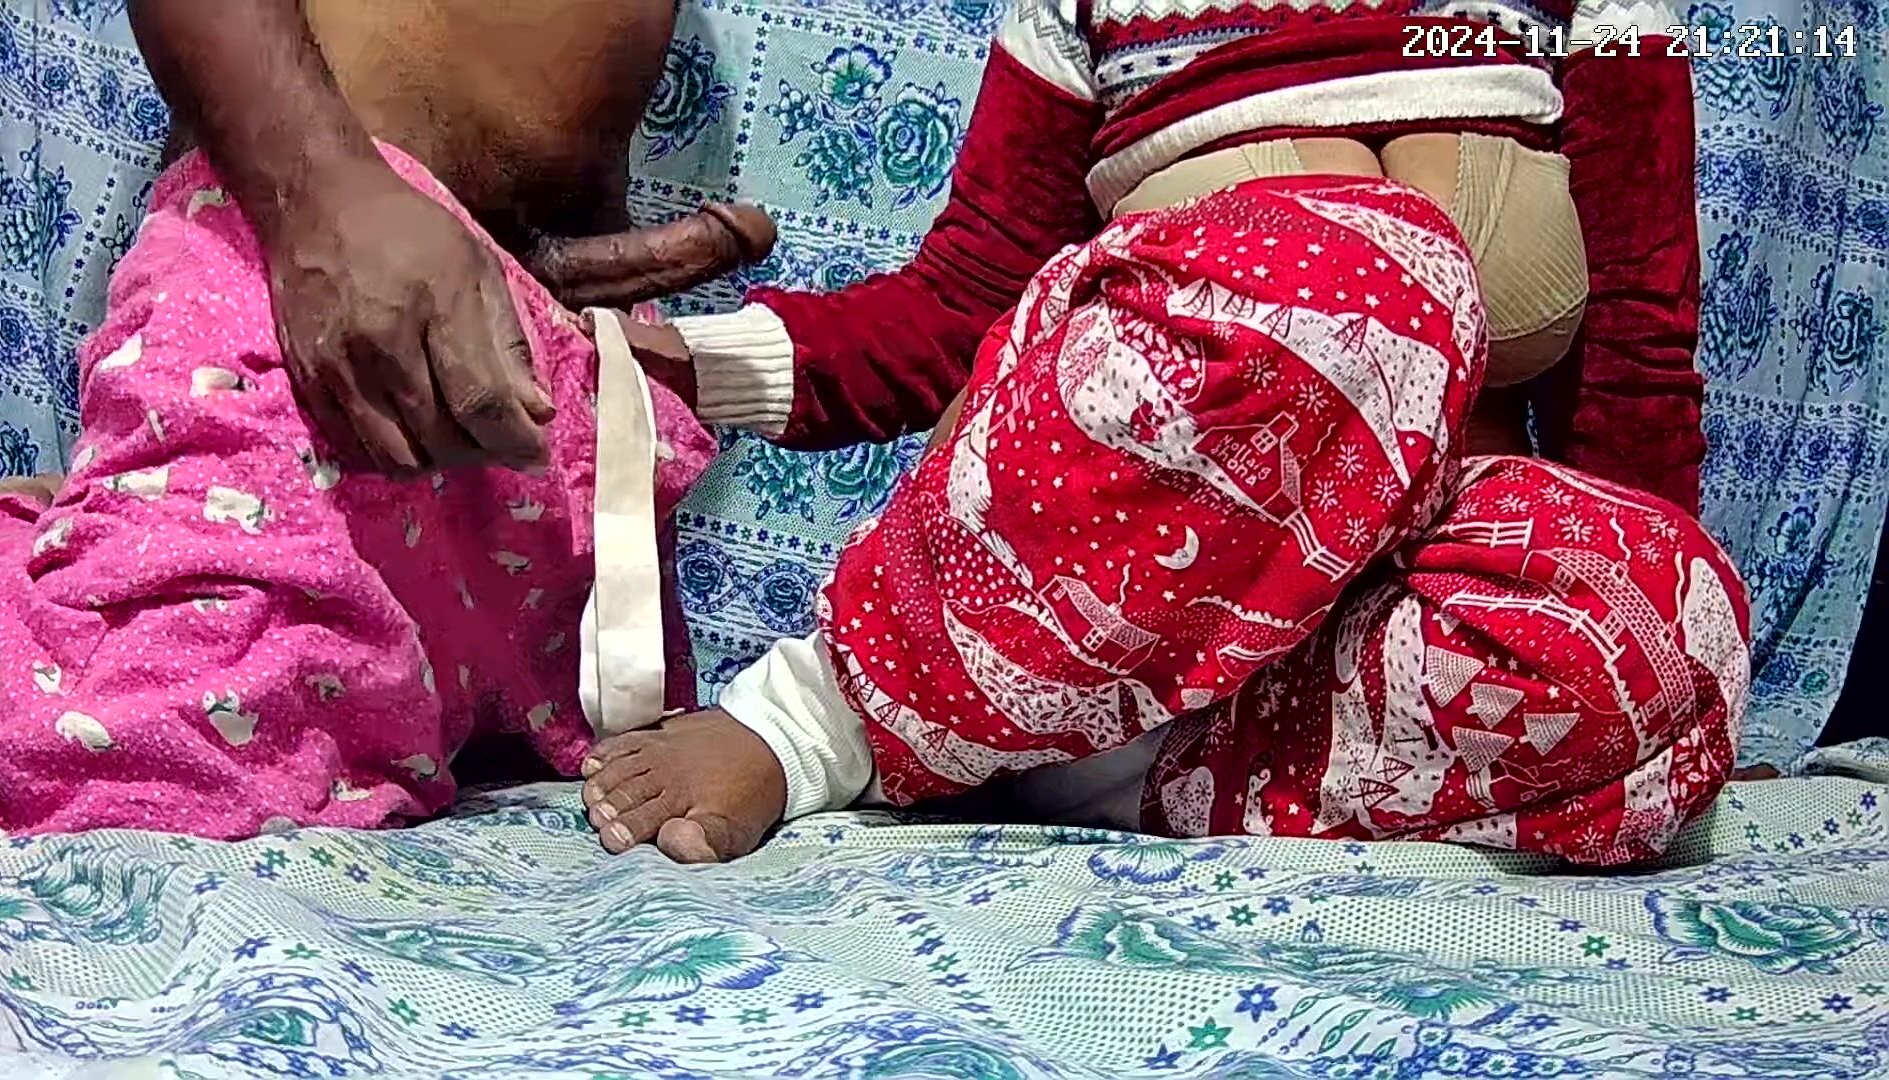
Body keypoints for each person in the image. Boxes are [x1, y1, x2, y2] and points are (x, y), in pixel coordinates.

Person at [569, 1, 1754, 866]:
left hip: (1388, 604)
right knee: (1370, 272)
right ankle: (821, 716)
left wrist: (1633, 632)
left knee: (1677, 613)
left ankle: (1109, 767)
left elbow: (1638, 350)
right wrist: (691, 363)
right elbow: (956, 307)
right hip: (1122, 571)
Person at [0, 1, 776, 837]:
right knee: (148, 764)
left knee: (544, 756)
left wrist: (552, 293)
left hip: (527, 383)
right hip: (318, 302)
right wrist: (325, 195)